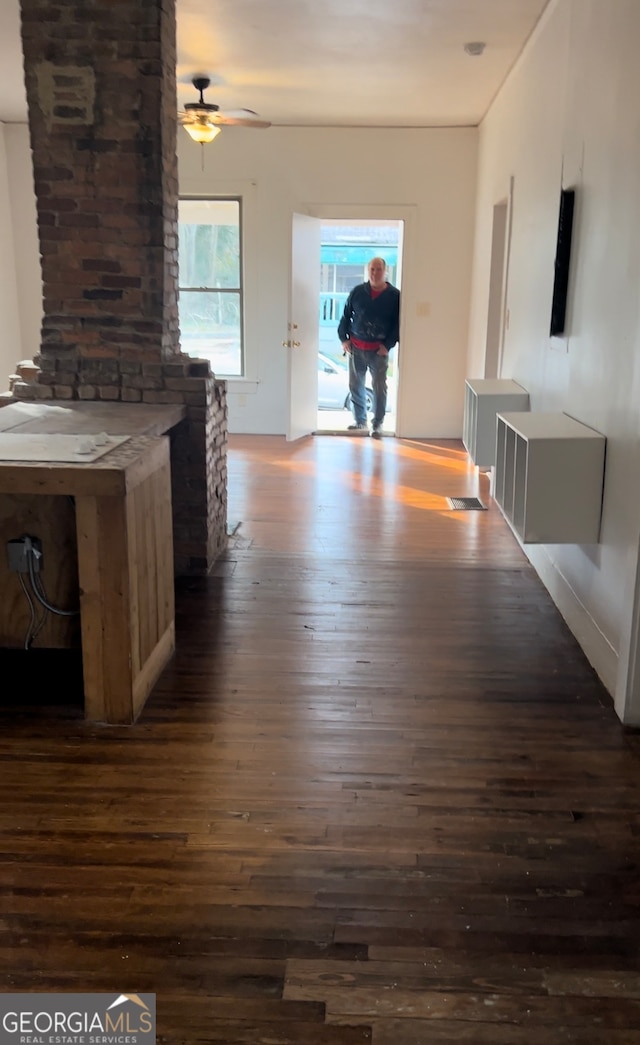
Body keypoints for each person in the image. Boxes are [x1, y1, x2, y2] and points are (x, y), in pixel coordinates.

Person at [337, 256, 400, 439]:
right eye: (372, 269)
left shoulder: (394, 296)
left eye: (378, 269)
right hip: (356, 348)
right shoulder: (357, 292)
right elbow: (346, 317)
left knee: (379, 387)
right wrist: (344, 339)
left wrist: (387, 346)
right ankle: (360, 421)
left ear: (385, 271)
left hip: (378, 352)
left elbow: (398, 325)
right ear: (368, 271)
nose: (375, 273)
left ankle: (377, 424)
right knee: (355, 385)